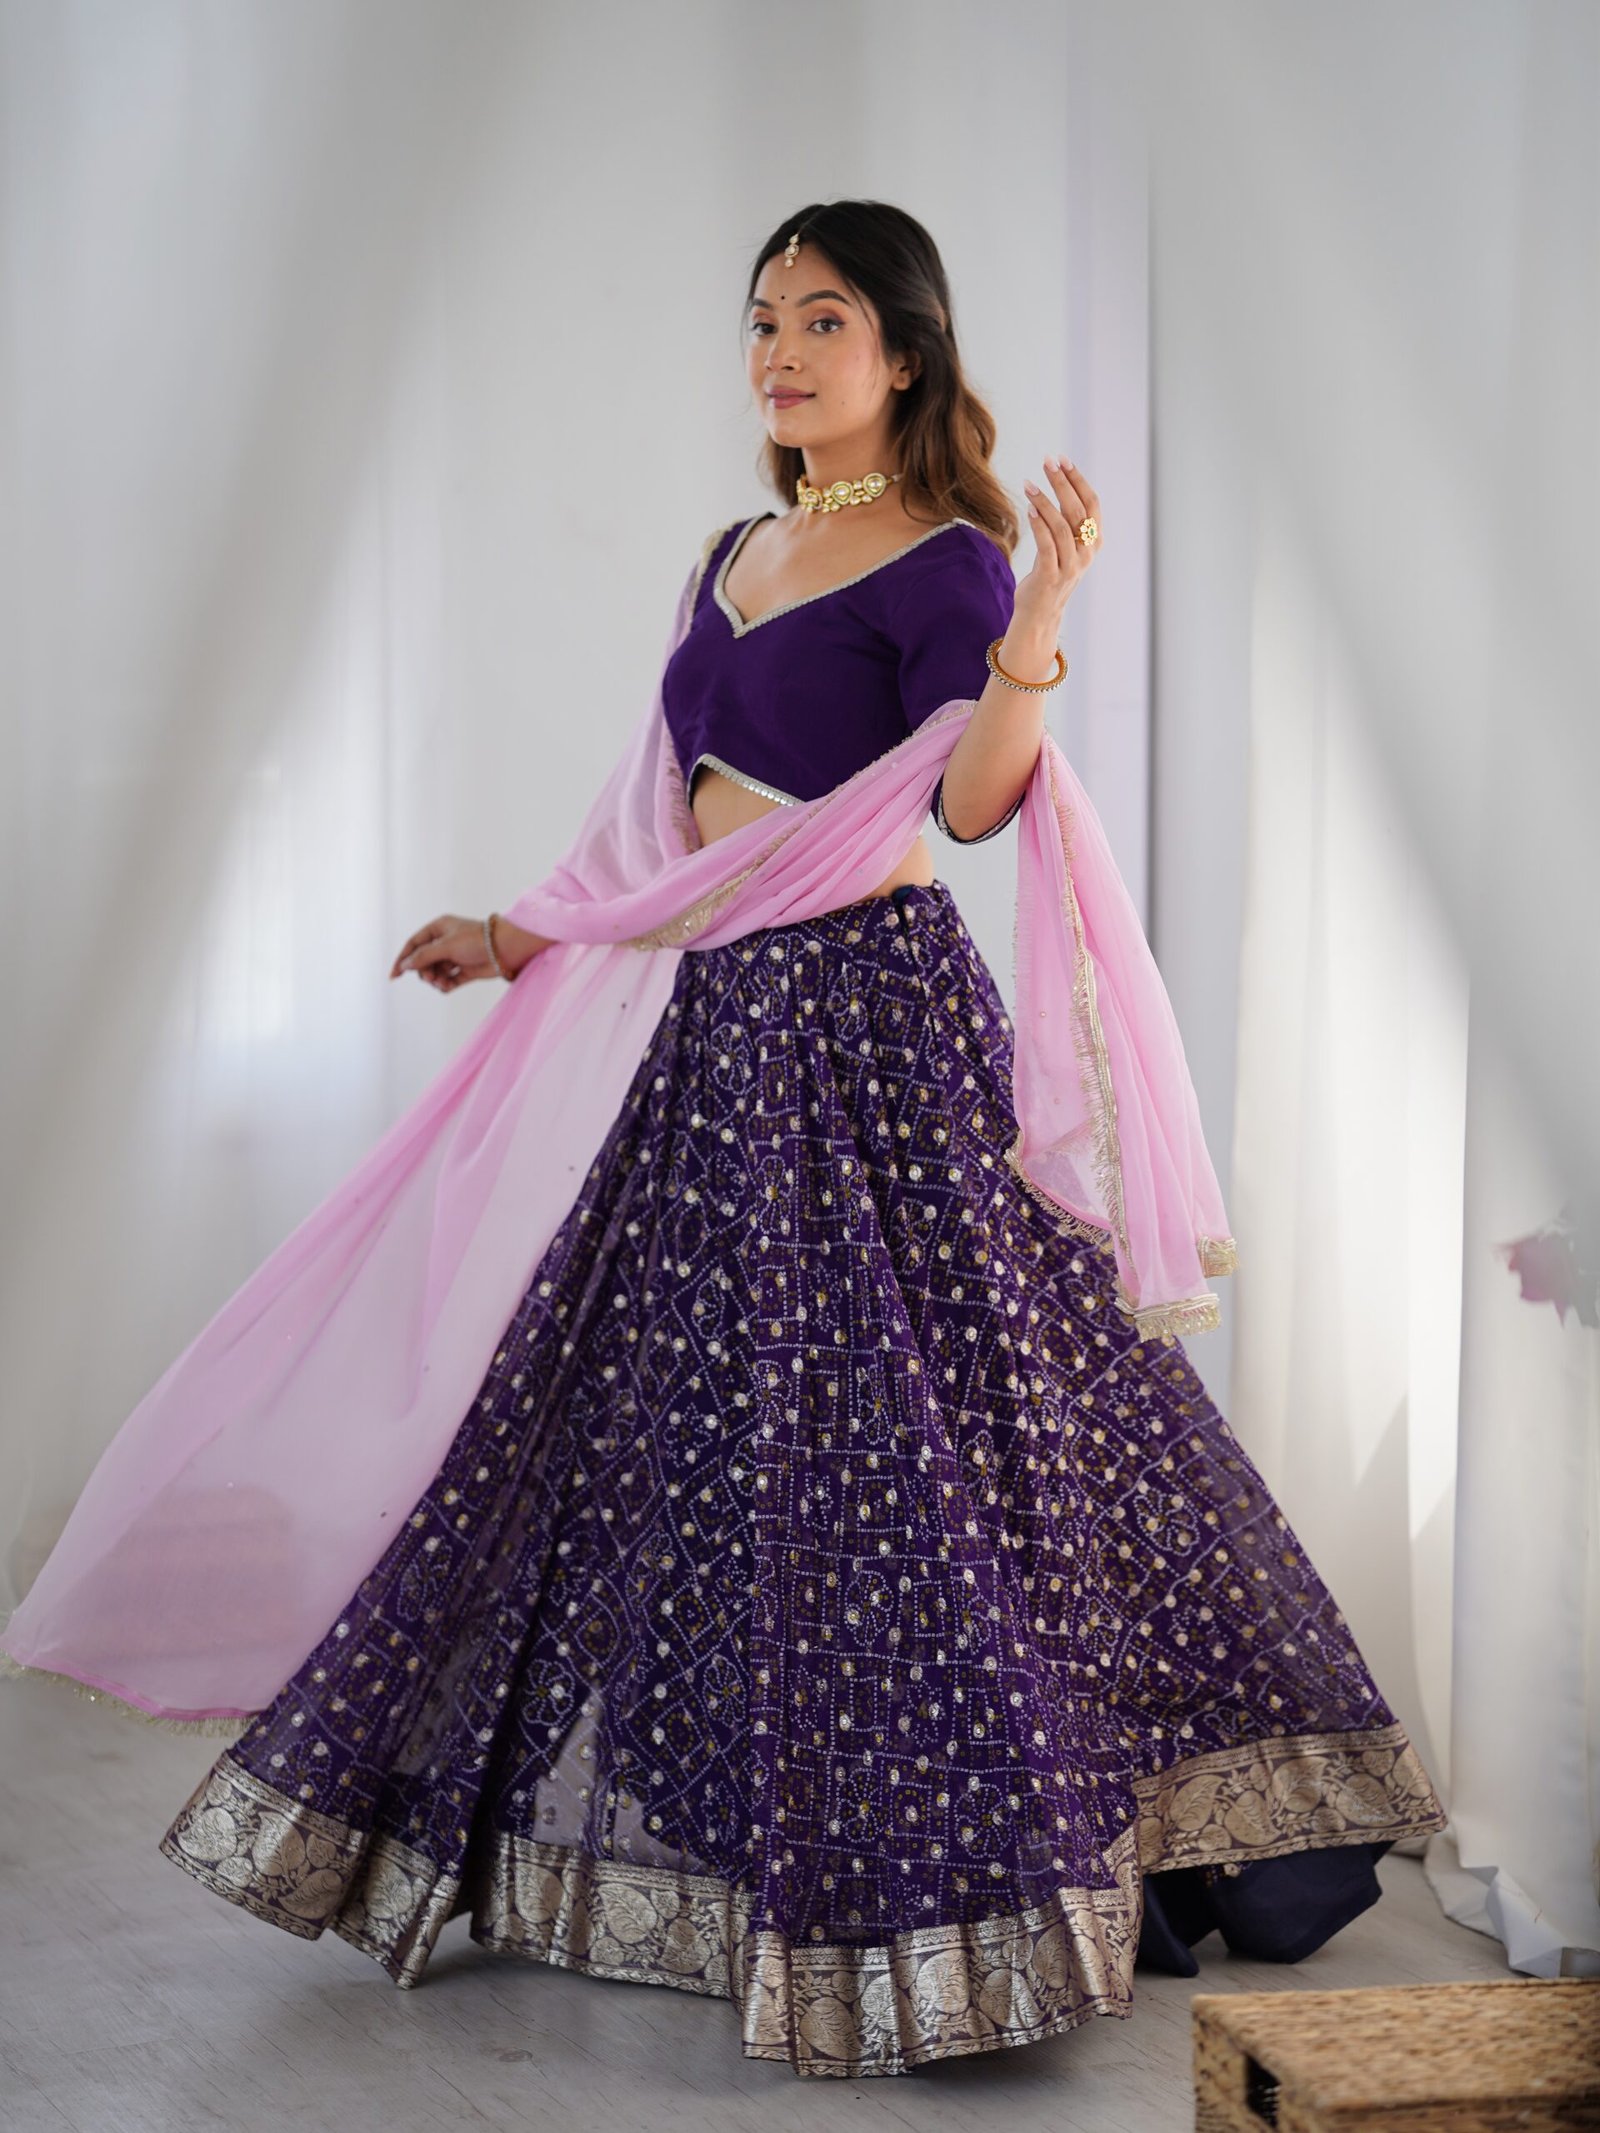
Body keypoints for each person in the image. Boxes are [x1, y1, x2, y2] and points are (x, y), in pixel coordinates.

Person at [9, 201, 1447, 2079]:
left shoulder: (949, 558)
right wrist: (521, 930)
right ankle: (770, 1839)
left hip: (873, 1028)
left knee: (922, 1436)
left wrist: (1035, 625)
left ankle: (970, 1883)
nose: (779, 351)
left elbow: (975, 804)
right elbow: (663, 816)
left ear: (906, 353)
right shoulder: (733, 551)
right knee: (684, 1421)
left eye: (822, 319)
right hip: (721, 1037)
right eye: (762, 318)